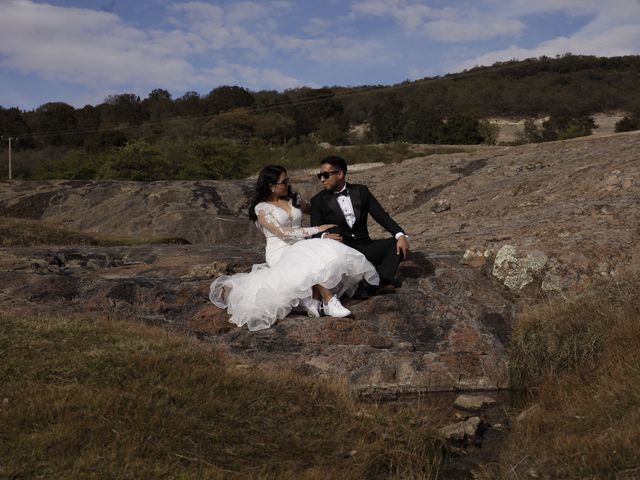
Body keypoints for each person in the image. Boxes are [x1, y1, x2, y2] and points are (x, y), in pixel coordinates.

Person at [209, 165, 379, 331]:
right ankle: (329, 300)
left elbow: (317, 210)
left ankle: (314, 301)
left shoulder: (294, 199)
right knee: (306, 259)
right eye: (285, 181)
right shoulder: (261, 209)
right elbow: (281, 232)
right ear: (271, 186)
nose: (288, 184)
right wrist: (317, 230)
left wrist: (342, 219)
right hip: (279, 250)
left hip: (301, 245)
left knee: (326, 251)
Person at [310, 156, 409, 298]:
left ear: (340, 174)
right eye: (320, 175)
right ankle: (370, 284)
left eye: (326, 175)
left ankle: (377, 282)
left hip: (365, 247)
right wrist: (324, 236)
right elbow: (314, 230)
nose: (322, 179)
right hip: (344, 252)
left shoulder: (361, 191)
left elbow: (381, 216)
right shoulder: (318, 200)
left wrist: (400, 234)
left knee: (395, 244)